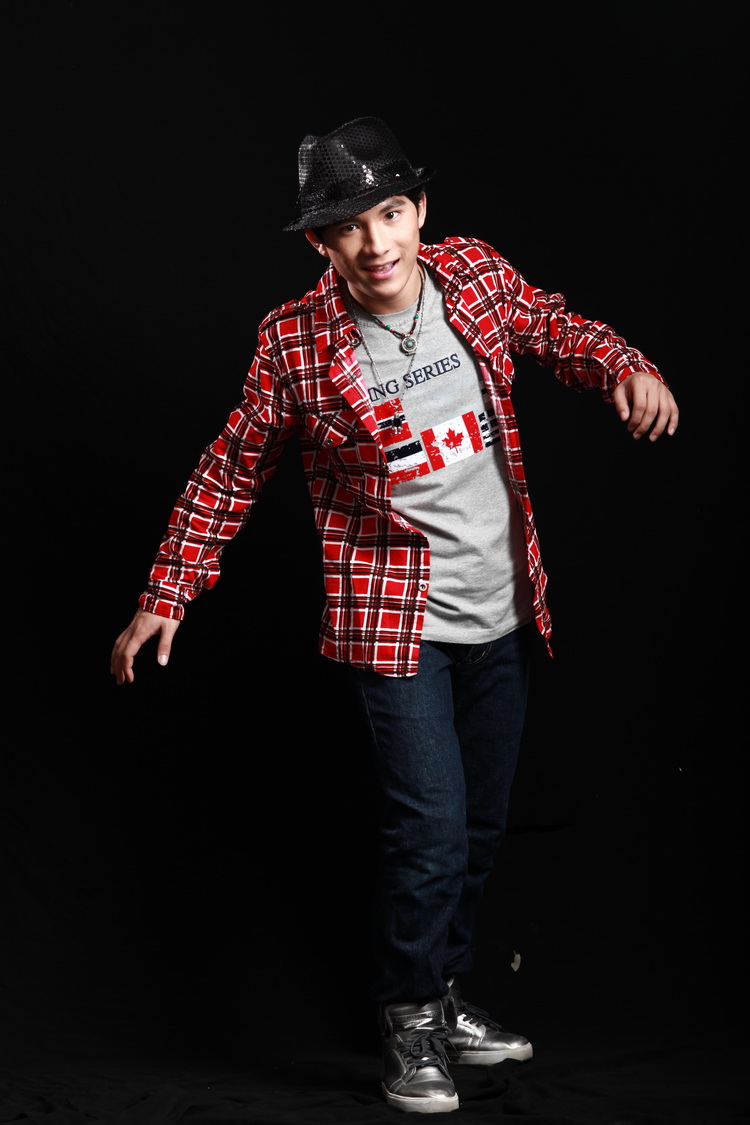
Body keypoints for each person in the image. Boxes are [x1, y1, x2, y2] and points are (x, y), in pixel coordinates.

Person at [111, 116, 678, 1114]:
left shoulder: (474, 277)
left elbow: (556, 328)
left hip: (503, 610)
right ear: (318, 245)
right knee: (431, 827)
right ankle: (408, 1016)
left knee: (481, 828)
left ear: (420, 212)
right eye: (345, 227)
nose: (373, 244)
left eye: (388, 215)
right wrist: (167, 593)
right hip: (394, 625)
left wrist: (626, 364)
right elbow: (232, 468)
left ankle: (446, 993)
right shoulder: (296, 343)